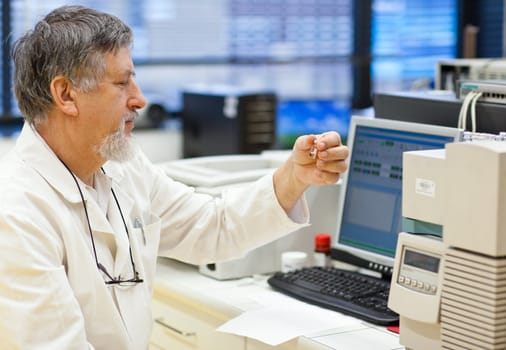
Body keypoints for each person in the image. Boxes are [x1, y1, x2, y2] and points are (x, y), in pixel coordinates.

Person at [0, 5, 349, 349]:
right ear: (65, 95)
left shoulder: (122, 165)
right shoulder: (16, 214)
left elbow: (212, 227)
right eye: (122, 82)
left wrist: (293, 177)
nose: (139, 98)